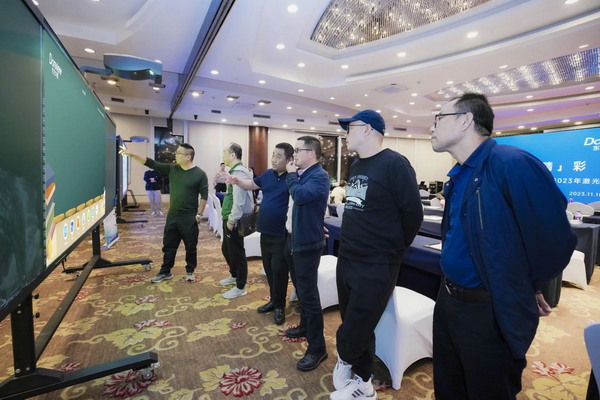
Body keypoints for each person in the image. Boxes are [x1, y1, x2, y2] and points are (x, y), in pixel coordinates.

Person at [429, 93, 577, 399]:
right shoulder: (458, 175)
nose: (432, 127)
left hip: (489, 311)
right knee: (449, 385)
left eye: (439, 118)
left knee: (488, 389)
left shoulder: (513, 164)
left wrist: (524, 285)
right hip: (449, 301)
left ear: (465, 120)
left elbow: (555, 241)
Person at [330, 110, 423, 399]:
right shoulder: (357, 165)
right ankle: (364, 380)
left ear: (368, 129)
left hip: (377, 261)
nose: (346, 134)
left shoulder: (395, 164)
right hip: (348, 255)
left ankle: (346, 357)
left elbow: (413, 214)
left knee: (357, 323)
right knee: (353, 319)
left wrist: (392, 250)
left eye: (350, 128)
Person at [120, 144, 208, 283]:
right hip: (173, 216)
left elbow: (204, 196)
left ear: (188, 157)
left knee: (191, 246)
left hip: (189, 217)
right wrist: (132, 154)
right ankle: (165, 271)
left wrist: (199, 215)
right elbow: (151, 163)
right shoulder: (172, 169)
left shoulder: (200, 174)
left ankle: (190, 271)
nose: (175, 155)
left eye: (178, 153)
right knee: (169, 245)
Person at [227, 143, 294, 325]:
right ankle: (274, 300)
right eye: (273, 155)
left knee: (279, 271)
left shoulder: (292, 178)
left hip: (281, 234)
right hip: (265, 231)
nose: (273, 159)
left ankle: (280, 306)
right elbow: (251, 184)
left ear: (289, 160)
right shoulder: (268, 174)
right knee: (269, 269)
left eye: (279, 156)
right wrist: (237, 181)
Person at [284, 136, 330, 372]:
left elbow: (301, 197)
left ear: (310, 153)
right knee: (301, 290)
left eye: (297, 150)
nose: (294, 155)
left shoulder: (319, 176)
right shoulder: (304, 174)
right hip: (295, 238)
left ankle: (317, 348)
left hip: (307, 244)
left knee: (309, 296)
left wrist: (291, 175)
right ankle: (304, 326)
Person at [219, 143, 254, 299]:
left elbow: (239, 200)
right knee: (227, 249)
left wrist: (232, 219)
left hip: (234, 218)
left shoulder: (239, 172)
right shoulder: (233, 171)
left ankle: (241, 286)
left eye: (225, 152)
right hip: (228, 215)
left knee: (236, 252)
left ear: (232, 154)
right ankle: (234, 275)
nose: (223, 155)